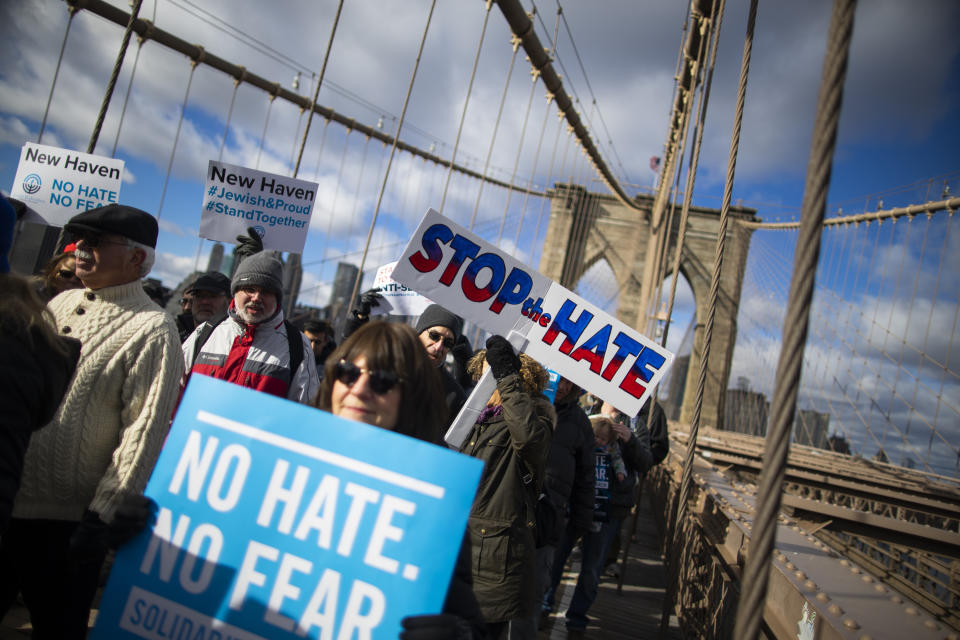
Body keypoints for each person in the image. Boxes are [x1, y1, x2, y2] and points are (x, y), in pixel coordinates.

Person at [0, 203, 184, 638]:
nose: (81, 249)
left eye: (97, 243)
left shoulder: (154, 328)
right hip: (9, 503)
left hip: (68, 527)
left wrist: (101, 518)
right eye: (79, 239)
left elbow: (143, 431)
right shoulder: (58, 302)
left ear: (138, 258)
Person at [312, 321, 485, 639]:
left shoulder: (434, 510)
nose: (359, 388)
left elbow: (467, 618)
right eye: (348, 372)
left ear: (410, 398)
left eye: (382, 381)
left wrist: (455, 633)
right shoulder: (280, 460)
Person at [459, 337, 555, 639]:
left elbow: (526, 437)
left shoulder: (535, 420)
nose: (481, 383)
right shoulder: (476, 420)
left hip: (492, 562)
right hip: (461, 550)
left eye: (491, 375)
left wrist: (508, 379)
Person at [544, 412, 652, 636]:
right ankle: (545, 607)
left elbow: (646, 462)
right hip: (574, 502)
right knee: (555, 559)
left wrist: (630, 441)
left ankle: (576, 621)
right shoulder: (583, 413)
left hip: (608, 509)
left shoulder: (634, 423)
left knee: (592, 569)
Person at [181, 251, 318, 403]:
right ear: (235, 292)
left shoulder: (297, 345)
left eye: (266, 292)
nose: (257, 298)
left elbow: (305, 409)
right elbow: (173, 389)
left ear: (277, 299)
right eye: (250, 289)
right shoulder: (206, 332)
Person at [536, 378, 595, 628]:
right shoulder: (523, 403)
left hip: (549, 520)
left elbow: (586, 477)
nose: (562, 387)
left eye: (569, 382)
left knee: (535, 591)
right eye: (557, 378)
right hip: (509, 512)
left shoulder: (580, 422)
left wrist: (580, 523)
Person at [177, 271, 231, 341]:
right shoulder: (172, 334)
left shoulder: (235, 342)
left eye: (213, 296)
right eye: (199, 296)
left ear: (230, 301)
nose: (204, 301)